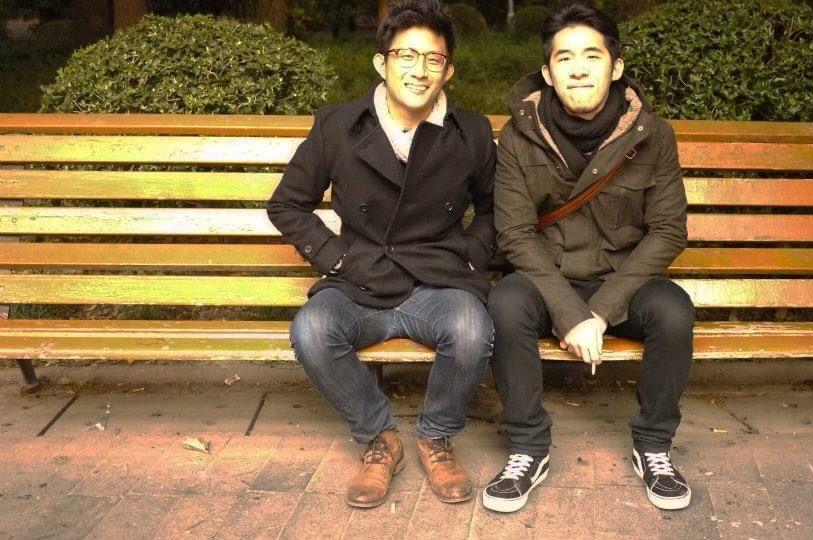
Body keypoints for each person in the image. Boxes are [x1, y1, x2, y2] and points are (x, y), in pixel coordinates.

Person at [267, 0, 496, 508]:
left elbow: (493, 209)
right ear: (381, 62)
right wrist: (336, 259)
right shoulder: (338, 126)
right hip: (359, 279)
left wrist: (471, 257)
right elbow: (287, 204)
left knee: (471, 327)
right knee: (312, 329)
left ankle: (436, 436)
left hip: (435, 281)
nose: (419, 70)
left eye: (433, 59)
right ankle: (380, 438)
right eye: (406, 55)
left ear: (448, 70)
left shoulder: (472, 133)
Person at [482, 2, 694, 513]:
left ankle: (654, 445)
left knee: (674, 310)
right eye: (565, 58)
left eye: (591, 56)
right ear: (548, 73)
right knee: (505, 304)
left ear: (615, 67)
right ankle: (528, 446)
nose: (578, 69)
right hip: (547, 277)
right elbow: (514, 234)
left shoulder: (653, 135)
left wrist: (599, 311)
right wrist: (570, 312)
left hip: (621, 280)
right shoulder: (518, 135)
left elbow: (669, 231)